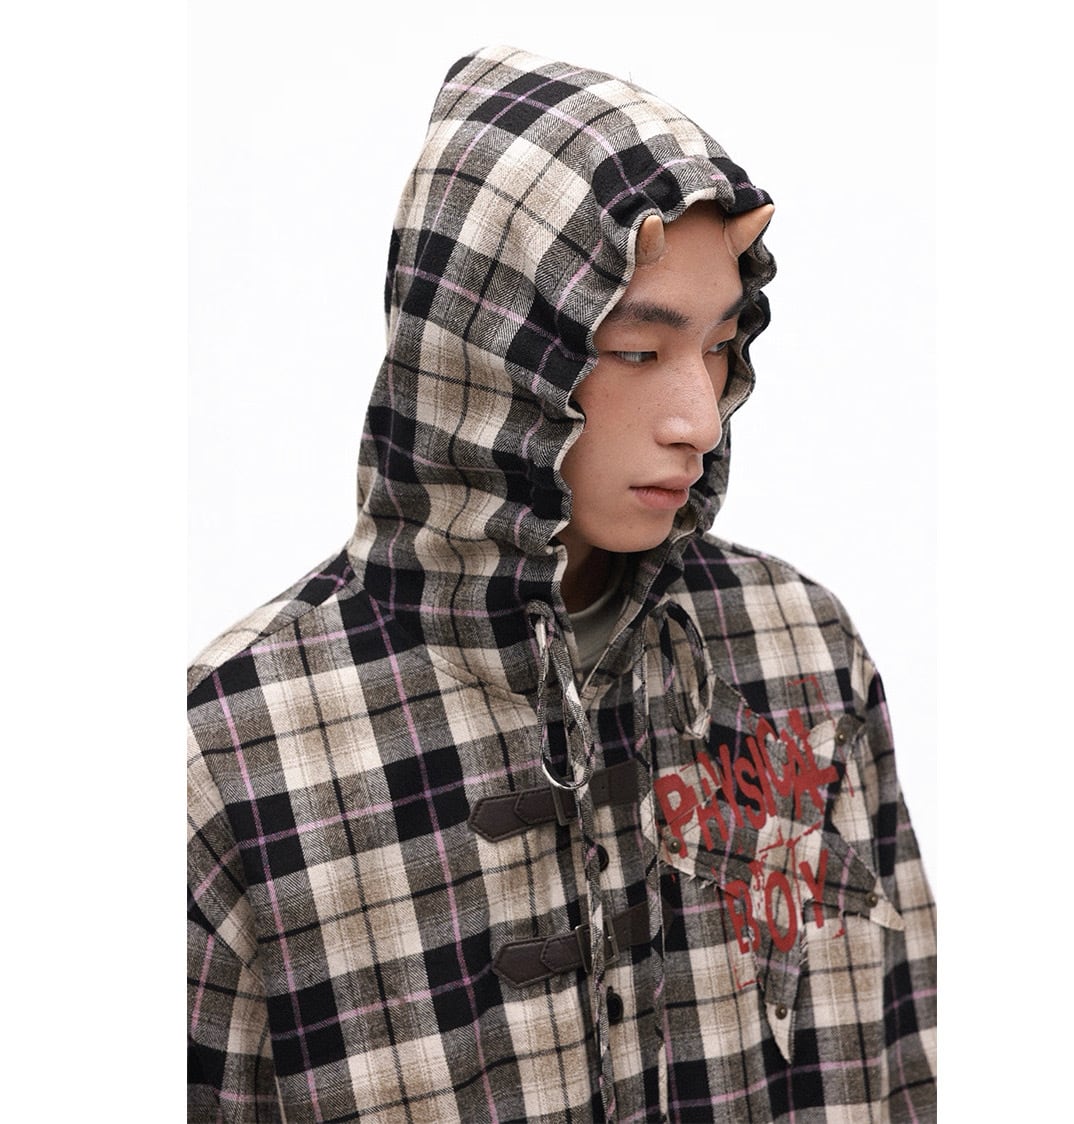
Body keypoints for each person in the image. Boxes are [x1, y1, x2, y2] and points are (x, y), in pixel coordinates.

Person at [188, 45, 936, 1123]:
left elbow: (910, 1062)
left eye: (720, 346)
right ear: (484, 352)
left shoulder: (802, 652)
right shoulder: (239, 751)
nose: (698, 416)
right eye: (637, 350)